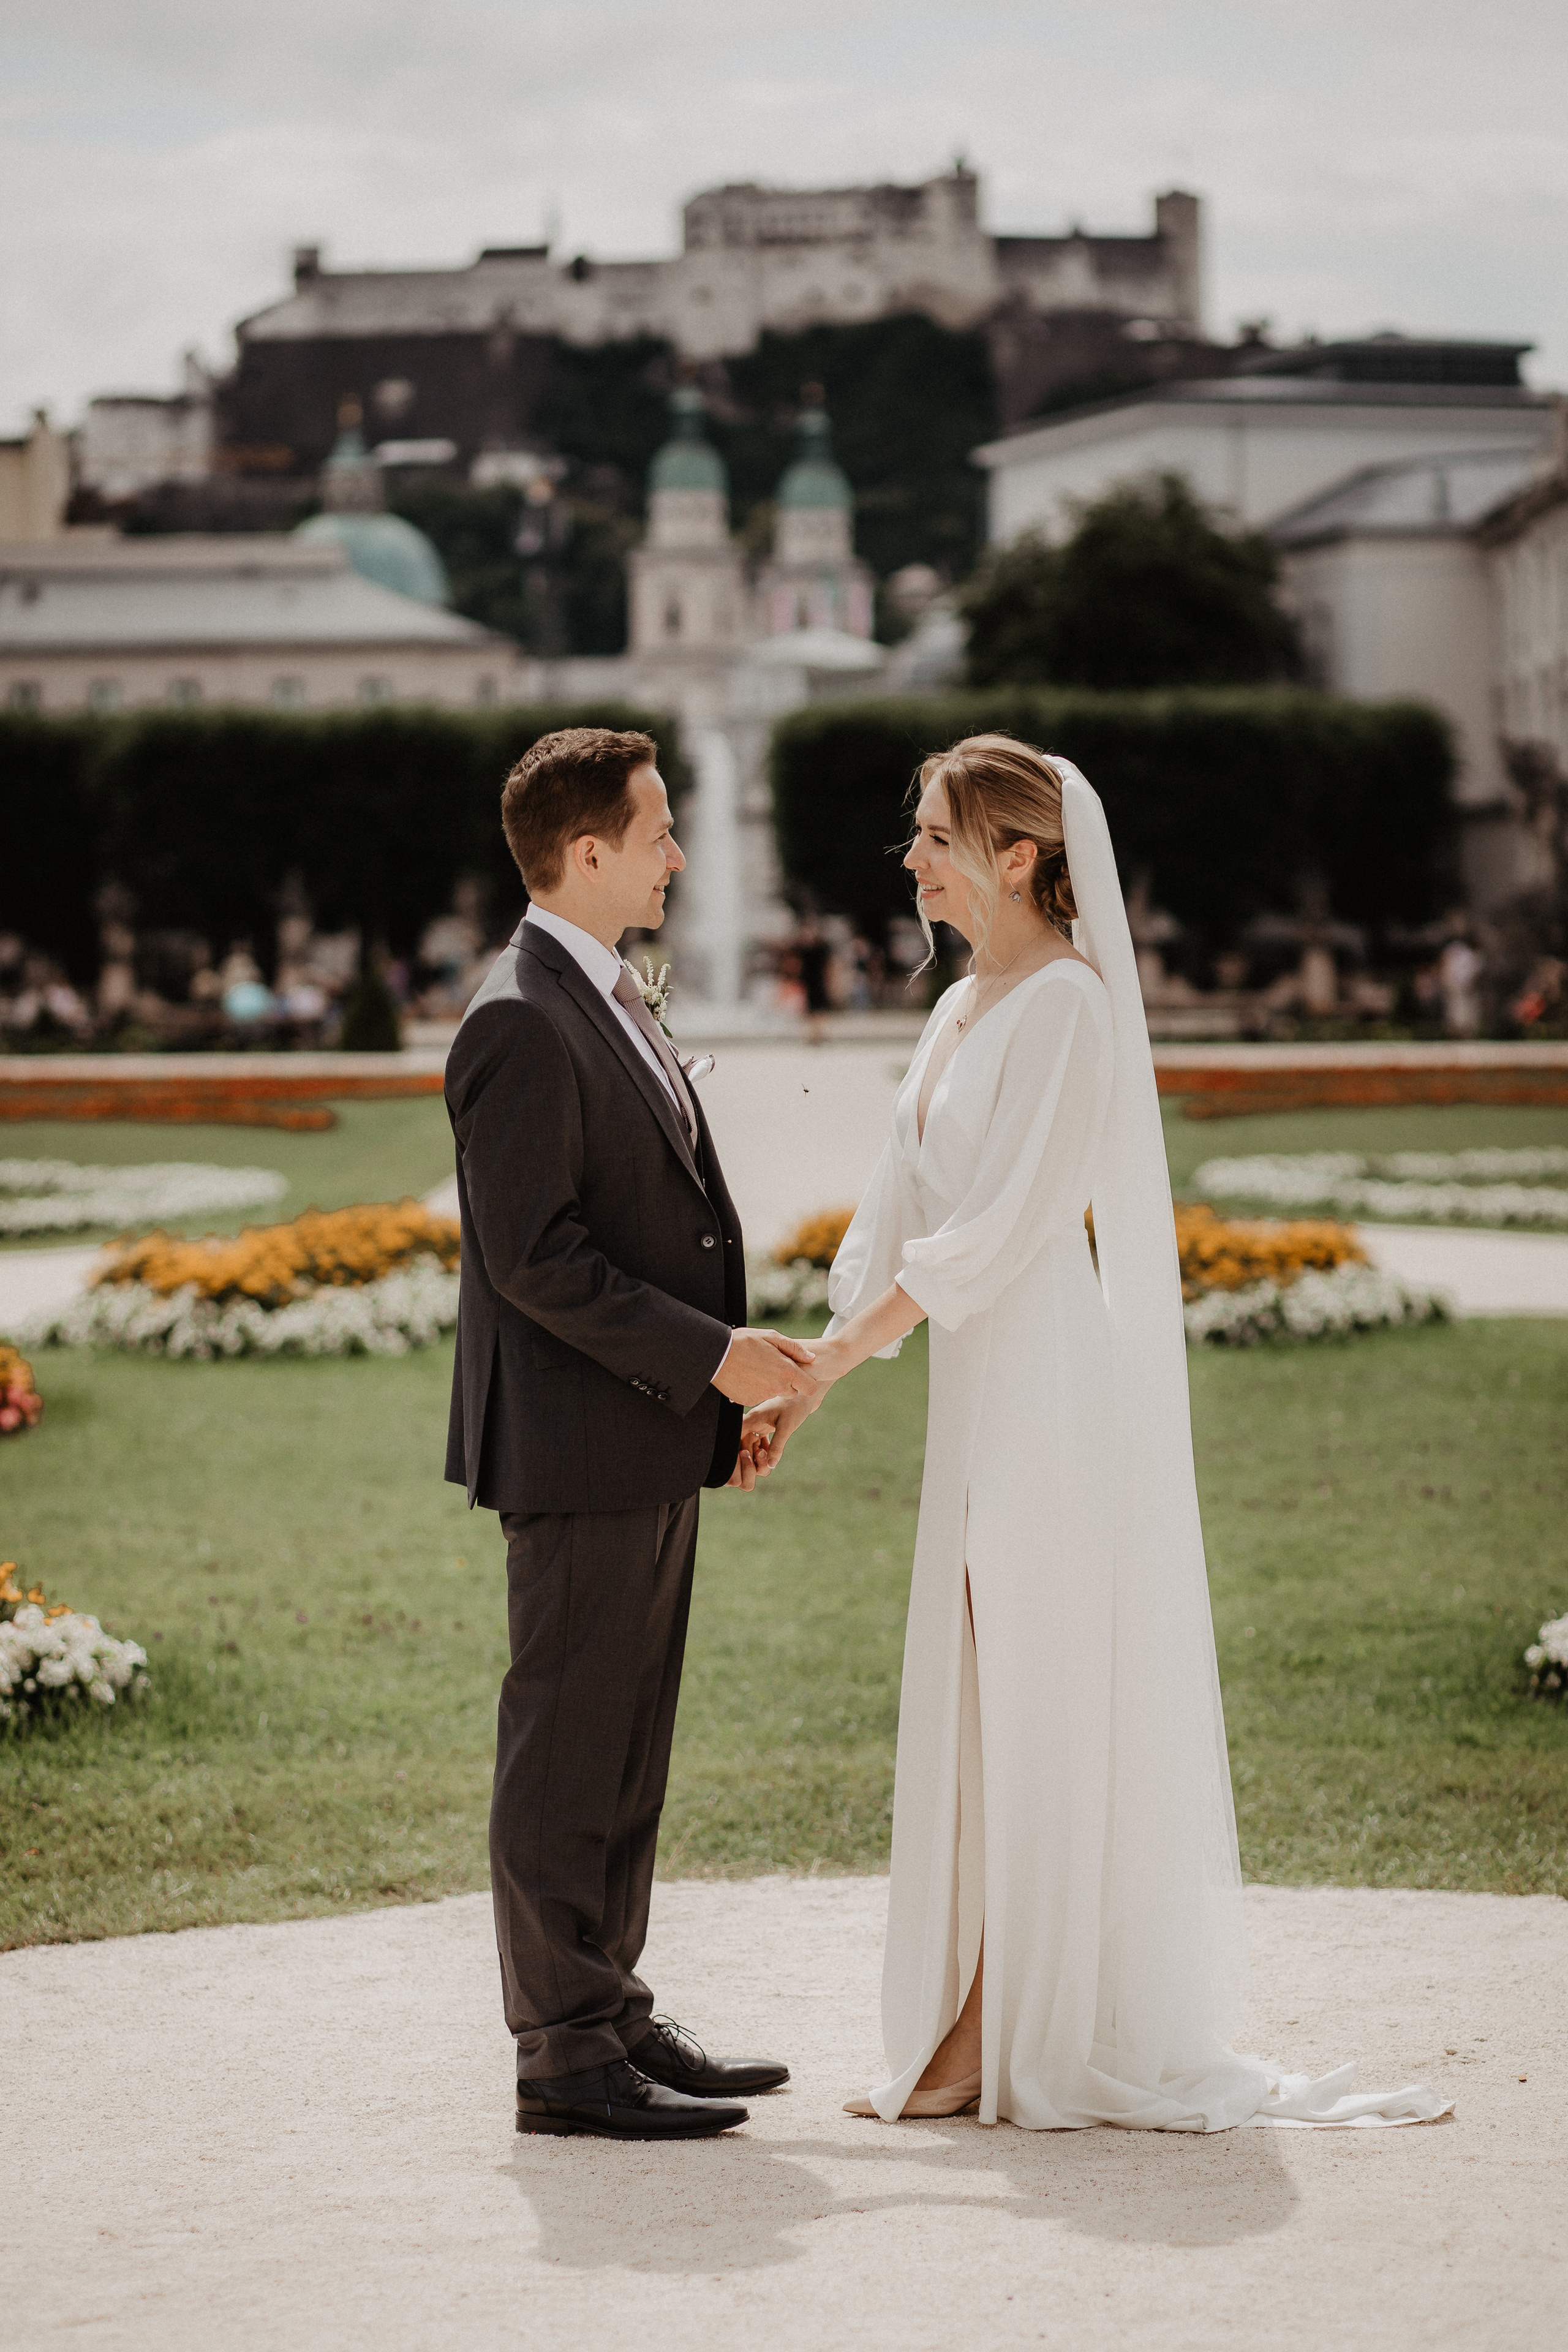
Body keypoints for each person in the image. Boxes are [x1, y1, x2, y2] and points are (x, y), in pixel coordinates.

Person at [744, 734, 1449, 2133]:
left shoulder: (1068, 1007)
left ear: (1019, 857)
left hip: (1050, 1386)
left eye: (935, 836)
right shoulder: (958, 1004)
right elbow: (899, 1210)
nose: (910, 858)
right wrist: (808, 1375)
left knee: (1039, 1696)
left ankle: (1007, 2024)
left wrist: (832, 1356)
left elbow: (1000, 1232)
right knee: (983, 1692)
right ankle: (981, 2010)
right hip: (972, 1394)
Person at [445, 726, 820, 2142]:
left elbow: (659, 1216)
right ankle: (561, 2055)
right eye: (658, 831)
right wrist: (714, 1359)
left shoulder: (597, 990)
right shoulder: (519, 1017)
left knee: (625, 1742)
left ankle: (609, 2007)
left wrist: (720, 1392)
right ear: (586, 851)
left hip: (645, 1431)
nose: (679, 853)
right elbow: (533, 1258)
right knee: (564, 1747)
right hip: (575, 1446)